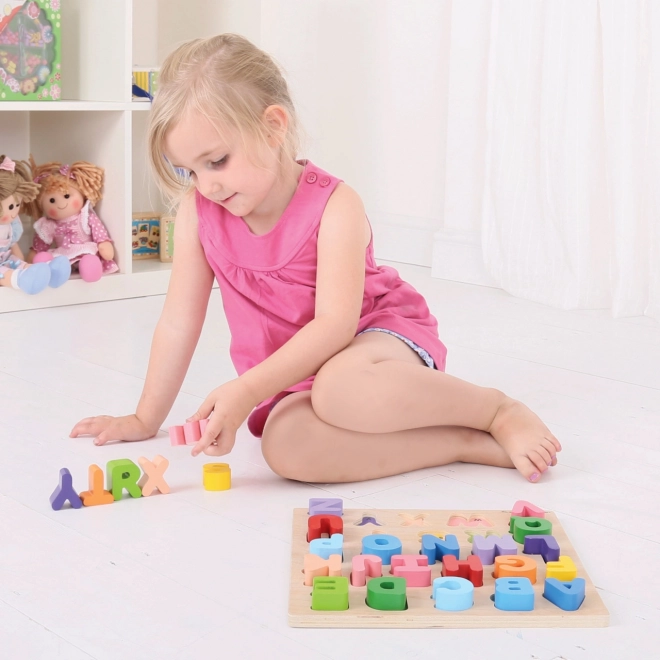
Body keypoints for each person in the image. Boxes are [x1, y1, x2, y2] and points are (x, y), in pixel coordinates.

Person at [70, 34, 561, 484]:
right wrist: (144, 418)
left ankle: (496, 411)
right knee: (286, 449)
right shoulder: (199, 215)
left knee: (341, 390)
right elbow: (178, 323)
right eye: (189, 169)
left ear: (273, 127)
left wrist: (244, 391)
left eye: (216, 161)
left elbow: (334, 326)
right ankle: (461, 443)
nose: (207, 185)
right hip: (294, 376)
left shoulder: (334, 205)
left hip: (375, 341)